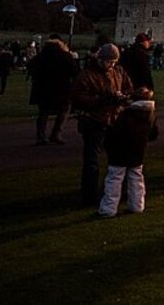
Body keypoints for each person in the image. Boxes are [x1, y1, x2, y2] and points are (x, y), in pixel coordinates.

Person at [70, 44, 133, 206]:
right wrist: (101, 99)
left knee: (118, 159)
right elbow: (78, 98)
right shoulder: (87, 75)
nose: (111, 65)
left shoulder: (118, 72)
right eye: (108, 62)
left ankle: (117, 190)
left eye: (113, 61)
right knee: (92, 161)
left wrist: (122, 97)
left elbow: (128, 88)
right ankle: (89, 195)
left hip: (114, 119)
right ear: (100, 59)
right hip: (94, 120)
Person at [98, 87, 158, 218]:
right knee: (136, 178)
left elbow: (116, 133)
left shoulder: (127, 114)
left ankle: (108, 208)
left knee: (114, 179)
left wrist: (108, 143)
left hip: (120, 151)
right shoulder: (151, 114)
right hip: (138, 150)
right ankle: (137, 205)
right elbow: (154, 134)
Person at [29, 35, 80, 145]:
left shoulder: (41, 56)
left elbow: (31, 66)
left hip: (43, 88)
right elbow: (75, 71)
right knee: (64, 110)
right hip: (62, 88)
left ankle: (40, 136)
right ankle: (56, 133)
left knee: (43, 112)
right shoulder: (65, 56)